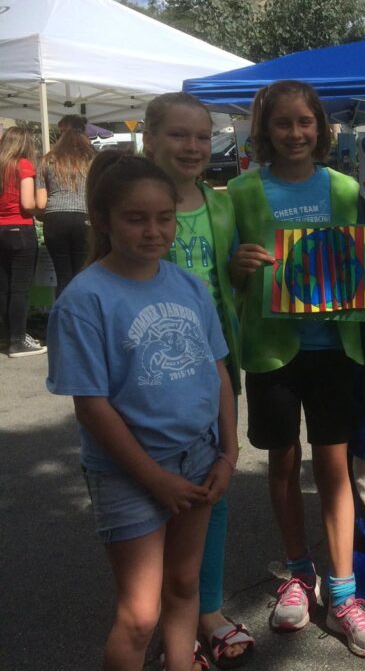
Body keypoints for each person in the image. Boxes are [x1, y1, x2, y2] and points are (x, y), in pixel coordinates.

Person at [226, 80, 365, 658]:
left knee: (333, 467)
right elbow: (230, 275)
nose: (295, 133)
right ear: (265, 130)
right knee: (282, 461)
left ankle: (343, 592)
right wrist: (239, 265)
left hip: (333, 348)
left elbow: (363, 257)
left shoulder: (346, 188)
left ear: (322, 128)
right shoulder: (241, 191)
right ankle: (298, 572)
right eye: (283, 123)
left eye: (305, 122)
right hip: (271, 351)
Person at [45, 151, 238, 671]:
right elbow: (91, 406)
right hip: (128, 473)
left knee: (184, 584)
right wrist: (154, 478)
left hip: (199, 459)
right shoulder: (84, 300)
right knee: (139, 615)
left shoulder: (189, 286)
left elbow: (217, 370)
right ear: (103, 220)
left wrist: (229, 451)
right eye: (136, 218)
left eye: (164, 218)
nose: (153, 231)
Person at [144, 92, 253, 670]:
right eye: (178, 135)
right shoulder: (136, 206)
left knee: (215, 485)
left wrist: (242, 268)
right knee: (152, 491)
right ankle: (164, 615)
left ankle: (204, 607)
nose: (193, 147)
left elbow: (228, 281)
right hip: (151, 374)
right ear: (149, 140)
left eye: (203, 136)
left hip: (215, 364)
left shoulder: (221, 203)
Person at [0, 126, 44, 357]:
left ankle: (9, 335)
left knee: (4, 288)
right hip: (20, 230)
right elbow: (27, 204)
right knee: (20, 289)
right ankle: (18, 340)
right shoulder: (23, 165)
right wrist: (42, 207)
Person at [35, 129, 95, 299]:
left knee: (62, 275)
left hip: (55, 219)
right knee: (81, 273)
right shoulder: (91, 160)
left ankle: (62, 312)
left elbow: (41, 203)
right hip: (83, 218)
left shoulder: (47, 161)